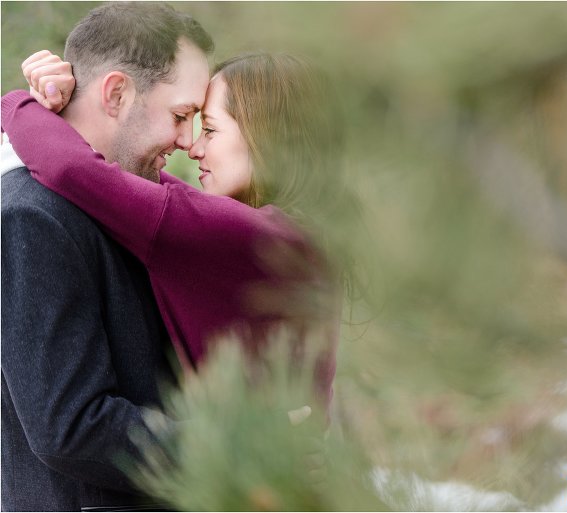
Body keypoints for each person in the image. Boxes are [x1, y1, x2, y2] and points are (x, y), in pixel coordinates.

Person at [4, 51, 344, 418]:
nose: (194, 148)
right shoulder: (294, 233)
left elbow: (75, 169)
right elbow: (127, 178)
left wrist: (18, 102)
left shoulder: (249, 236)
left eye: (210, 130)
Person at [0, 3, 213, 511]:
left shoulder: (124, 201)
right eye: (180, 116)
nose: (186, 141)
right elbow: (71, 427)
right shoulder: (32, 217)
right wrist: (235, 446)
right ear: (116, 93)